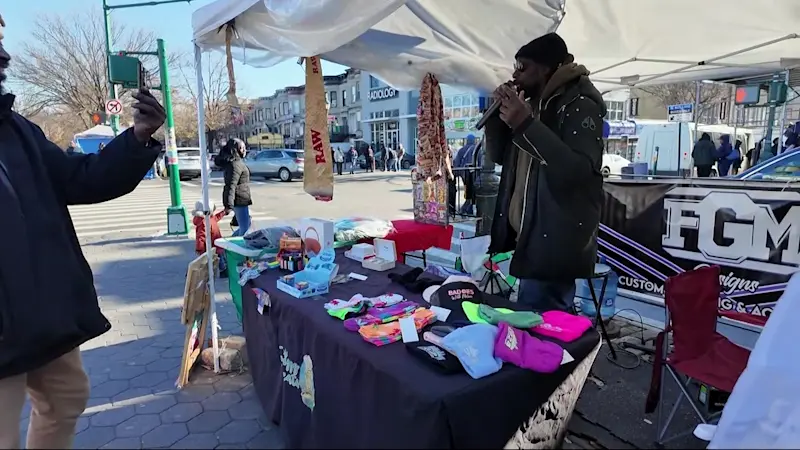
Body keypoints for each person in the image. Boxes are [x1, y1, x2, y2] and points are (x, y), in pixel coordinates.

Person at [0, 13, 167, 448]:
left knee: (66, 401)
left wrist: (136, 139)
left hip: (44, 315)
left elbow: (81, 179)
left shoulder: (16, 129)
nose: (5, 55)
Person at [485, 32, 605, 312]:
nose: (516, 75)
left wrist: (525, 123)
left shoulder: (580, 102)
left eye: (523, 67)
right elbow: (501, 156)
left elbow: (579, 171)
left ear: (548, 68)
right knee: (535, 322)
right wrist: (498, 118)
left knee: (544, 328)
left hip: (554, 239)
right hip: (532, 234)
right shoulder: (535, 104)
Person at [215, 138, 252, 237]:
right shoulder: (235, 165)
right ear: (236, 149)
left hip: (241, 199)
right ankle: (233, 248)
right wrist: (228, 205)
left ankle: (230, 244)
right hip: (239, 200)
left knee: (245, 226)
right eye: (242, 148)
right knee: (245, 229)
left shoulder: (236, 163)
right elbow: (230, 186)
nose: (244, 150)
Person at [191, 201, 228, 277]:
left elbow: (217, 217)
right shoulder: (203, 222)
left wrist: (223, 212)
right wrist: (200, 248)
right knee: (218, 258)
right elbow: (201, 237)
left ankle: (222, 269)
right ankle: (223, 270)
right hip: (212, 245)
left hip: (216, 243)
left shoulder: (209, 218)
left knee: (219, 257)